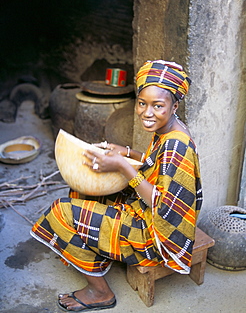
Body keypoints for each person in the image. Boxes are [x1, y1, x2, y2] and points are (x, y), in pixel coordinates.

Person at [31, 60, 202, 312]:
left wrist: (123, 166)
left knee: (61, 211)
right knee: (83, 191)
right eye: (142, 103)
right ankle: (88, 253)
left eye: (158, 106)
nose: (147, 112)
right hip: (148, 213)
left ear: (174, 106)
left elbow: (163, 205)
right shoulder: (170, 130)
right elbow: (157, 165)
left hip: (156, 234)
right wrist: (127, 151)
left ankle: (99, 292)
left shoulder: (178, 145)